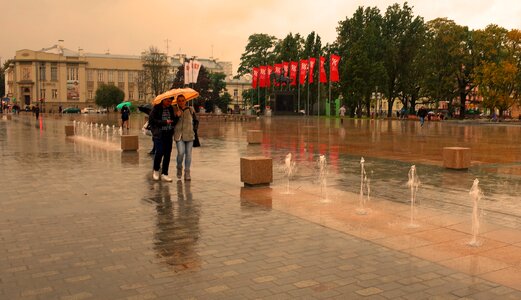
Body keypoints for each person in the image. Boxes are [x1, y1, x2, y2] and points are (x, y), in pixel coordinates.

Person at [149, 97, 177, 182]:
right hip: (159, 134)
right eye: (168, 101)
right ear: (164, 100)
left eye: (171, 101)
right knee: (160, 151)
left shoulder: (171, 108)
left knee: (167, 154)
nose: (169, 103)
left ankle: (165, 173)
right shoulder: (156, 108)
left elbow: (173, 122)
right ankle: (156, 170)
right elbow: (152, 121)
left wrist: (177, 117)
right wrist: (164, 122)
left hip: (168, 133)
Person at [174, 95, 197, 181]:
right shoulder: (175, 110)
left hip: (189, 135)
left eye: (182, 100)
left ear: (185, 101)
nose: (181, 102)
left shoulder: (190, 109)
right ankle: (179, 167)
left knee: (189, 154)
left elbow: (196, 121)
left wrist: (194, 130)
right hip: (179, 135)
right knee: (181, 152)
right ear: (177, 102)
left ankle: (187, 172)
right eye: (179, 101)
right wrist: (176, 116)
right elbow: (172, 123)